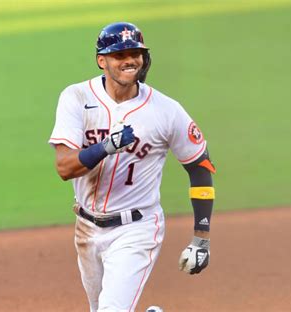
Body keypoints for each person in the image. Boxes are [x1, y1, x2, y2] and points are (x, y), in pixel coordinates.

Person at [48, 21, 216, 312]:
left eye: (135, 52)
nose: (129, 60)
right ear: (101, 60)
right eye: (119, 54)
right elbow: (64, 167)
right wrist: (106, 147)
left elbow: (200, 165)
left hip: (137, 229)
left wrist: (201, 238)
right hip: (87, 229)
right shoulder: (76, 97)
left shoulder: (165, 110)